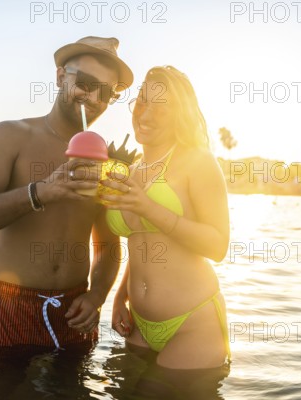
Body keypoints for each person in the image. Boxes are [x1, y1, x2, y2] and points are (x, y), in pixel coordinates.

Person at [0, 36, 133, 354]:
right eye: (87, 83)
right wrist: (40, 193)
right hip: (8, 303)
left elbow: (107, 246)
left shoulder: (103, 161)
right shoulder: (10, 136)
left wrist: (97, 297)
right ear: (61, 77)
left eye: (107, 93)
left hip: (74, 308)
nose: (93, 97)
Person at [100, 66, 231, 369]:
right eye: (143, 100)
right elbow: (142, 244)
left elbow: (218, 246)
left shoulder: (198, 161)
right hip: (139, 325)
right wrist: (120, 298)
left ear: (179, 114)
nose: (145, 114)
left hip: (192, 323)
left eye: (161, 106)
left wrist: (149, 208)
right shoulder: (131, 170)